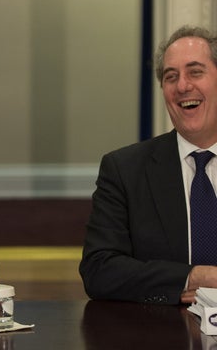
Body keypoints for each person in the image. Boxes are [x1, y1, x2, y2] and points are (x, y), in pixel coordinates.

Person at [80, 25, 217, 304]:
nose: (182, 86)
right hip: (162, 334)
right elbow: (99, 269)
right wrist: (193, 277)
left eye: (195, 72)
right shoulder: (124, 169)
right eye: (170, 77)